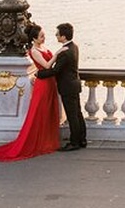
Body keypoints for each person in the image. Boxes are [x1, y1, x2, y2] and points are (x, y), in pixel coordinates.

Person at [0, 23, 67, 162]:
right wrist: (57, 53)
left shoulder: (41, 48)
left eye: (44, 35)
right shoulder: (34, 51)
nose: (44, 38)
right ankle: (40, 142)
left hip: (49, 82)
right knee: (40, 112)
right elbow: (46, 65)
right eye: (41, 36)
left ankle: (47, 141)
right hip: (43, 85)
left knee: (48, 111)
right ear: (34, 38)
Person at [36, 22, 87, 151]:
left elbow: (55, 70)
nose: (56, 35)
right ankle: (82, 139)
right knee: (77, 113)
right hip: (74, 84)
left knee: (72, 115)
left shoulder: (64, 52)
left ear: (63, 37)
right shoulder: (74, 47)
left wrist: (39, 74)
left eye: (57, 34)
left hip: (67, 86)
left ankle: (74, 142)